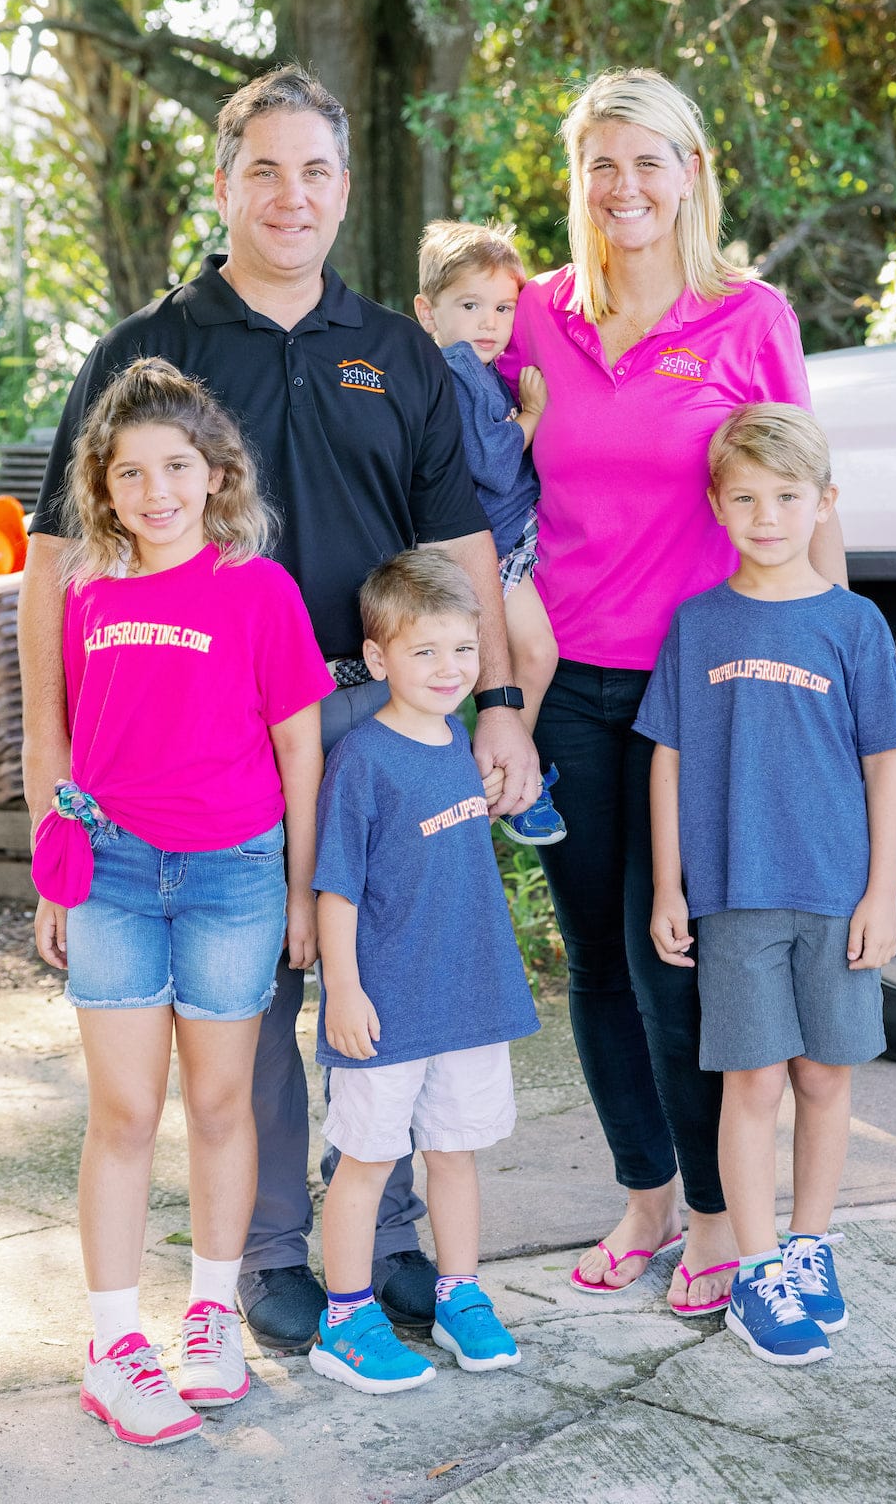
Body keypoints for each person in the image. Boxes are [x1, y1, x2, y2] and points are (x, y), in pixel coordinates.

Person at [18, 64, 539, 1353]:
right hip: (208, 736)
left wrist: (499, 700)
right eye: (264, 169)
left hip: (384, 717)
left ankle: (391, 1237)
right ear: (224, 184)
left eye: (313, 171)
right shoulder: (150, 352)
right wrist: (48, 760)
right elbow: (58, 564)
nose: (289, 195)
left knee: (387, 977)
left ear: (344, 190)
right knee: (243, 1000)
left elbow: (460, 541)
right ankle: (262, 1255)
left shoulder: (397, 351)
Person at [498, 66, 849, 1312]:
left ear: (690, 173)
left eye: (648, 160)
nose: (624, 185)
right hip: (566, 685)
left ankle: (713, 1214)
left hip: (707, 693)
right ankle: (644, 1195)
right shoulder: (530, 317)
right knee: (596, 959)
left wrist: (839, 642)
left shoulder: (749, 317)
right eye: (601, 162)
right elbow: (473, 477)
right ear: (576, 178)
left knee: (680, 959)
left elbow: (806, 491)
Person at [31, 358, 333, 1444]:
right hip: (113, 875)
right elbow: (69, 744)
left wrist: (300, 892)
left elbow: (299, 748)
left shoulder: (259, 590)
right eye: (130, 473)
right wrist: (55, 873)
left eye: (174, 467)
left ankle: (209, 1313)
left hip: (233, 879)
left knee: (219, 1104)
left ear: (214, 475)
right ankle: (114, 1346)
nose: (155, 490)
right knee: (123, 1113)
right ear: (103, 489)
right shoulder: (86, 592)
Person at [638, 403, 896, 1363]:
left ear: (823, 504)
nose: (767, 517)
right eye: (746, 498)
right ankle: (757, 1272)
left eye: (788, 498)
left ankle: (809, 1247)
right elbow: (668, 760)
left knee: (826, 1074)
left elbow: (887, 765)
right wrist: (668, 887)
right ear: (718, 506)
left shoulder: (854, 623)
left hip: (836, 894)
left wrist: (881, 893)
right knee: (751, 1081)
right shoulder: (699, 624)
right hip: (735, 897)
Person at [308, 549, 539, 1393]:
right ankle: (345, 1319)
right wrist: (344, 989)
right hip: (387, 1006)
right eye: (425, 651)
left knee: (455, 1153)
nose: (450, 669)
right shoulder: (362, 759)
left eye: (463, 649)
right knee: (367, 1161)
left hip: (468, 998)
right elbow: (337, 887)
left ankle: (459, 1294)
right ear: (378, 659)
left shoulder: (462, 745)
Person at [413, 219, 564, 845]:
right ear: (428, 312)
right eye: (470, 305)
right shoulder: (456, 369)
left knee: (527, 656)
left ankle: (503, 776)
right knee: (535, 654)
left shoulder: (472, 368)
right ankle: (509, 780)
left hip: (503, 541)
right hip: (491, 548)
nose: (489, 322)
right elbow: (494, 465)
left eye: (502, 308)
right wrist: (532, 415)